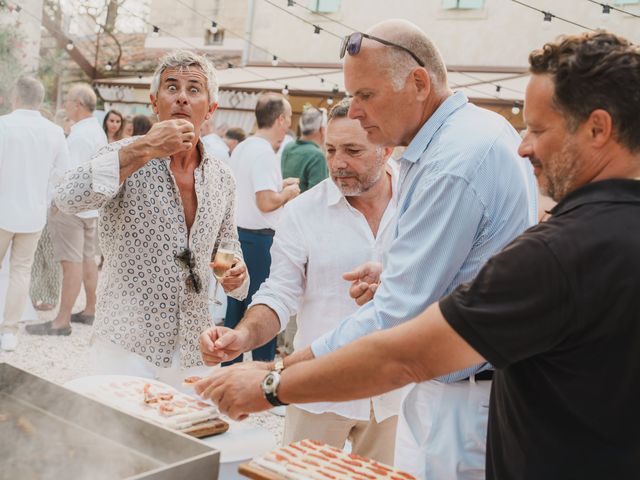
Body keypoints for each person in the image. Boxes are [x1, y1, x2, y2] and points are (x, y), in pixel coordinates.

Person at [197, 31, 640, 480]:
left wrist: (272, 381)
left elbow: (399, 335)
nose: (525, 146)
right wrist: (395, 275)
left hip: (462, 404)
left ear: (419, 84)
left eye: (365, 95)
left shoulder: (469, 176)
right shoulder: (480, 138)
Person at [199, 98, 400, 463]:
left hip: (397, 394)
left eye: (353, 150)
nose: (338, 163)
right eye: (331, 150)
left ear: (386, 149)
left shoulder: (421, 199)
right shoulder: (302, 212)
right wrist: (241, 336)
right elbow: (279, 292)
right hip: (318, 389)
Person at [50, 50, 249, 386]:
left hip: (194, 346)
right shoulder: (122, 154)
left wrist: (235, 276)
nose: (182, 97)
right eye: (172, 87)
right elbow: (67, 198)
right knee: (116, 436)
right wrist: (144, 149)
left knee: (186, 434)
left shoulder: (222, 178)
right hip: (126, 342)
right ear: (155, 102)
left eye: (194, 89)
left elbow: (227, 252)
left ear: (210, 109)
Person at [224, 93, 300, 365]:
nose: (289, 124)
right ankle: (263, 374)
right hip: (258, 241)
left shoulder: (244, 147)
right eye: (289, 118)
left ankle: (228, 368)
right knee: (264, 307)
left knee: (235, 309)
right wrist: (289, 193)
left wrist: (279, 187)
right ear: (280, 120)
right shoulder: (264, 152)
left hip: (236, 236)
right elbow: (265, 202)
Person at [27, 83, 107, 336]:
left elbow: (68, 176)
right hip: (90, 209)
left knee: (70, 263)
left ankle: (61, 321)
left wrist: (56, 204)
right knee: (86, 261)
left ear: (78, 104)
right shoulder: (97, 132)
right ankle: (90, 310)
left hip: (72, 209)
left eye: (68, 101)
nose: (65, 106)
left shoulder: (80, 135)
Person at [0, 76, 71, 350]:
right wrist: (44, 191)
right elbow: (64, 174)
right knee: (20, 272)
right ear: (40, 101)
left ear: (15, 97)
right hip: (32, 214)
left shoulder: (3, 125)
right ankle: (9, 331)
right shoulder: (54, 132)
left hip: (2, 208)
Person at [280, 106, 329, 193]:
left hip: (285, 204)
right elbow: (317, 195)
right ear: (322, 129)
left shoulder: (288, 147)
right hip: (305, 206)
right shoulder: (317, 155)